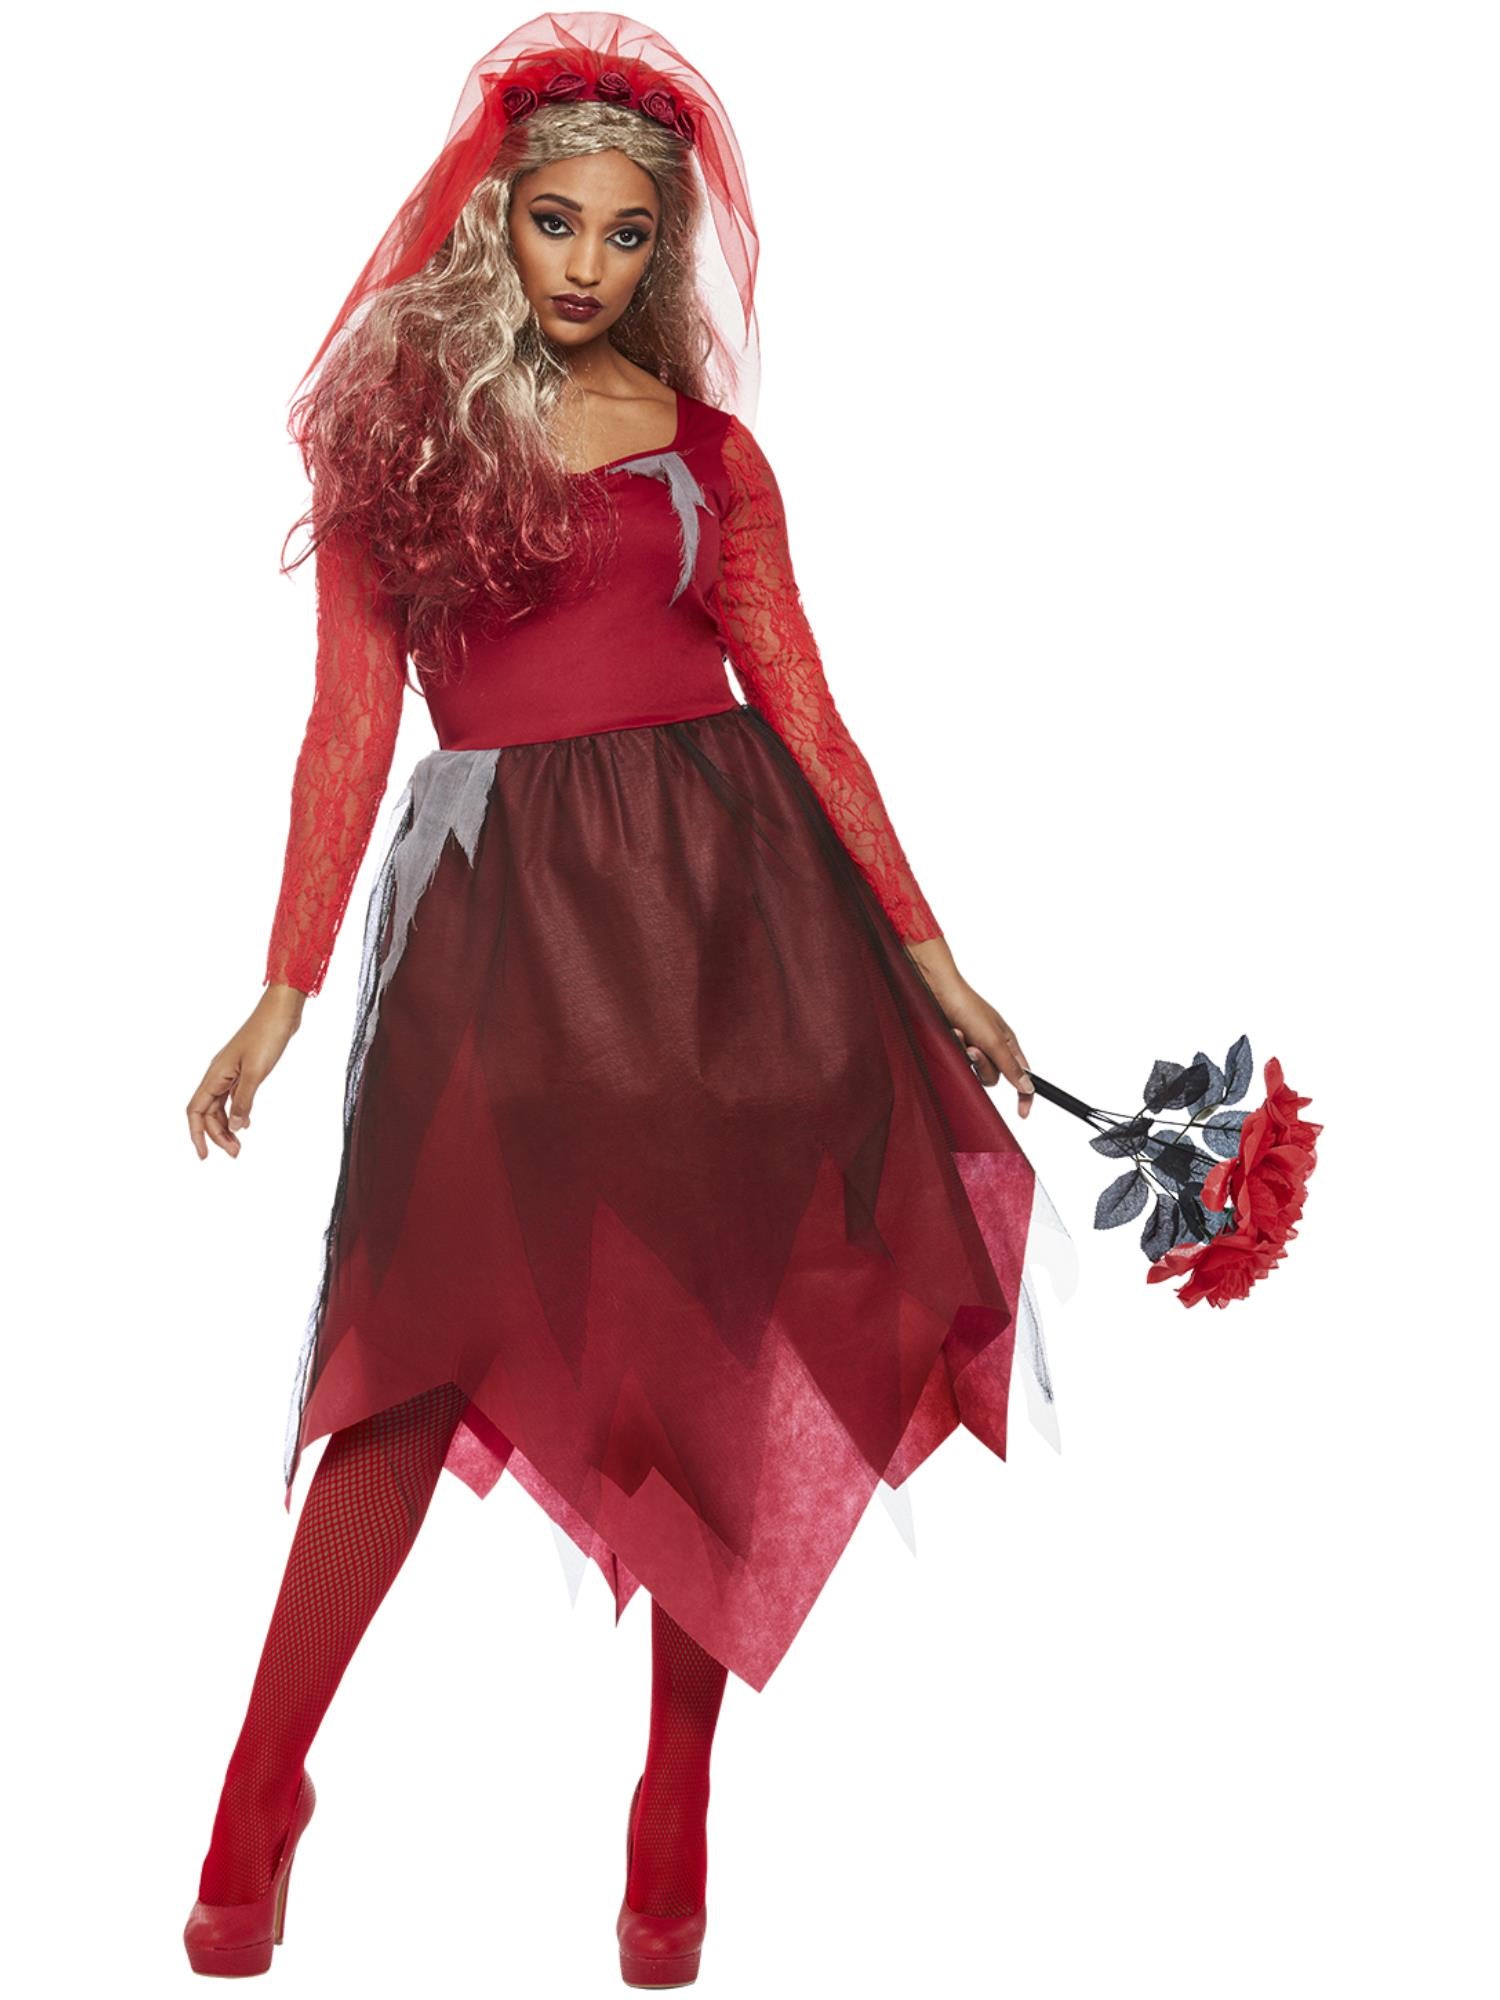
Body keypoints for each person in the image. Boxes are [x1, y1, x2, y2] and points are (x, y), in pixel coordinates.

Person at [182, 13, 1068, 1986]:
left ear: (665, 247)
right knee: (409, 1355)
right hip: (502, 938)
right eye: (555, 221)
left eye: (626, 233)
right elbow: (347, 728)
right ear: (494, 219)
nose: (586, 264)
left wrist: (937, 963)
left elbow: (807, 711)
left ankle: (675, 1805)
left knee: (709, 1360)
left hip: (730, 923)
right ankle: (258, 1783)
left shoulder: (711, 457)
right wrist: (284, 989)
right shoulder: (400, 439)